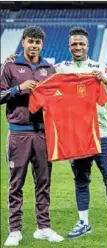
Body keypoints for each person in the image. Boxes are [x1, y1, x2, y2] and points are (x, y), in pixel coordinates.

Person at [54, 27, 107, 239]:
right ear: (69, 46)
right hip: (76, 136)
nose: (78, 47)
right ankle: (84, 222)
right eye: (74, 44)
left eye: (82, 44)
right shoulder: (60, 69)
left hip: (102, 134)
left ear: (88, 46)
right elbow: (42, 82)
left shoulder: (99, 68)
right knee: (81, 180)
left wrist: (106, 81)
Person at [0, 26, 64, 246]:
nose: (34, 45)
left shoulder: (50, 68)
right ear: (23, 42)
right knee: (16, 183)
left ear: (42, 45)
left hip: (43, 134)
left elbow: (58, 99)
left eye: (38, 42)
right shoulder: (10, 66)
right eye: (30, 41)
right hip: (18, 135)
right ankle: (15, 230)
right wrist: (18, 88)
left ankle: (43, 227)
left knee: (43, 182)